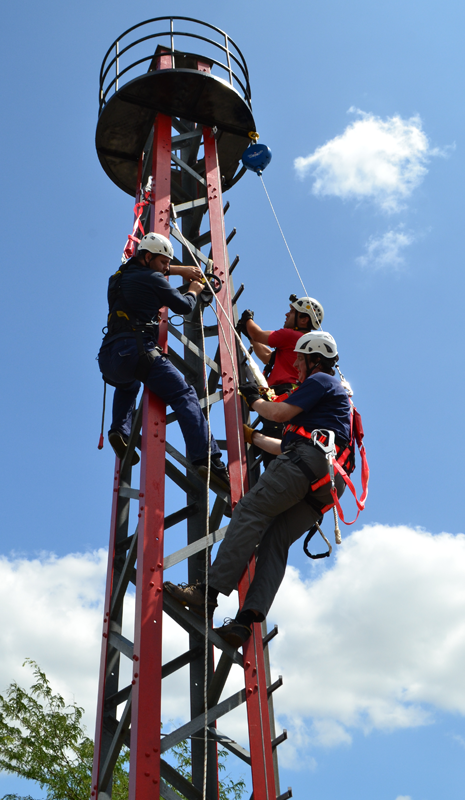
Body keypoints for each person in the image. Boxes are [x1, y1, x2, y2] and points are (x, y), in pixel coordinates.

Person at [164, 330, 351, 647]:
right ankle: (244, 623)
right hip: (326, 479)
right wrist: (253, 438)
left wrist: (254, 399)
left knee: (251, 510)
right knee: (275, 541)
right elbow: (290, 446)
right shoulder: (331, 403)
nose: (297, 365)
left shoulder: (321, 381)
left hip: (306, 463)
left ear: (314, 359)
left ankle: (206, 594)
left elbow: (277, 413)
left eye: (301, 359)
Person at [98, 232, 230, 490]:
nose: (166, 268)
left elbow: (147, 268)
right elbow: (182, 306)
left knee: (128, 385)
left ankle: (119, 431)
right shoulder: (153, 278)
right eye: (163, 263)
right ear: (148, 257)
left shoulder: (119, 277)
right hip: (138, 349)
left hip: (110, 355)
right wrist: (193, 289)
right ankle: (206, 458)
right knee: (184, 394)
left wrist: (178, 269)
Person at [236, 295, 325, 465]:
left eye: (292, 312)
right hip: (287, 396)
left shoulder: (292, 336)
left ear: (304, 319)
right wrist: (251, 338)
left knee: (274, 436)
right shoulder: (300, 345)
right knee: (276, 438)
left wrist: (248, 320)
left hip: (282, 394)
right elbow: (267, 356)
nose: (286, 314)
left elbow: (258, 333)